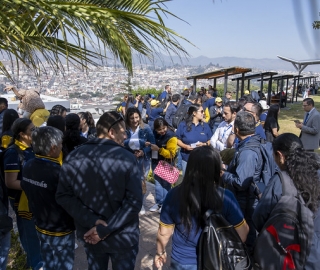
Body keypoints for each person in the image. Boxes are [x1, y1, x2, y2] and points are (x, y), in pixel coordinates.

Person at [56, 111, 142, 270]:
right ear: (111, 132)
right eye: (123, 132)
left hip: (90, 233)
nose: (125, 137)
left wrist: (92, 221)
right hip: (122, 236)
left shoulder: (74, 156)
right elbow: (134, 202)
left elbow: (63, 195)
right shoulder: (128, 158)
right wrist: (105, 229)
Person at [154, 146, 249, 269]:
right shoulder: (226, 197)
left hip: (183, 260)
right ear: (216, 169)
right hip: (216, 260)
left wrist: (160, 253)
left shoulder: (174, 195)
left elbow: (163, 233)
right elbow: (243, 233)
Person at [252, 133, 320, 269]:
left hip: (287, 251)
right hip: (314, 250)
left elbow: (258, 218)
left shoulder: (280, 180)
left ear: (280, 156)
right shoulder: (316, 172)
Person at [21, 126, 75, 270]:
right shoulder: (59, 172)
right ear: (53, 148)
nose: (61, 147)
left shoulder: (28, 165)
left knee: (49, 263)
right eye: (60, 144)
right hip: (61, 230)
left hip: (40, 226)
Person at [221, 111, 264, 251]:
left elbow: (241, 182)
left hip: (245, 202)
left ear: (237, 129)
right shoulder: (250, 143)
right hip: (246, 199)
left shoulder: (248, 152)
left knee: (245, 239)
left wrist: (224, 174)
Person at [3, 118, 43, 269]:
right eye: (31, 130)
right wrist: (34, 185)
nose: (35, 132)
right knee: (30, 239)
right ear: (21, 134)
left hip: (37, 201)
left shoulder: (32, 148)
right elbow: (10, 181)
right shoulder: (13, 153)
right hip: (24, 204)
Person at [124, 107, 155, 214]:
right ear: (127, 118)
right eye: (132, 118)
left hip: (143, 160)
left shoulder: (146, 128)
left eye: (136, 117)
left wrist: (143, 151)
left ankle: (140, 204)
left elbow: (152, 144)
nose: (135, 120)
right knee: (130, 183)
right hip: (129, 159)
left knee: (141, 182)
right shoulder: (124, 129)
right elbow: (121, 143)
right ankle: (131, 203)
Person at [148, 118, 178, 213]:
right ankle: (159, 203)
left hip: (166, 163)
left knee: (165, 184)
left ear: (166, 126)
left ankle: (166, 203)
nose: (162, 131)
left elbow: (171, 154)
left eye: (164, 128)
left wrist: (159, 150)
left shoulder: (171, 136)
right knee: (157, 183)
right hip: (156, 162)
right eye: (159, 129)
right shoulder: (153, 133)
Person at [176, 104, 213, 175]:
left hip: (203, 159)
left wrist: (204, 144)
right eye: (201, 111)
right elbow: (177, 139)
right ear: (194, 113)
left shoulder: (205, 126)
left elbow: (210, 140)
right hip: (187, 158)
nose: (204, 113)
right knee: (188, 182)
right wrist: (185, 146)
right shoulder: (183, 125)